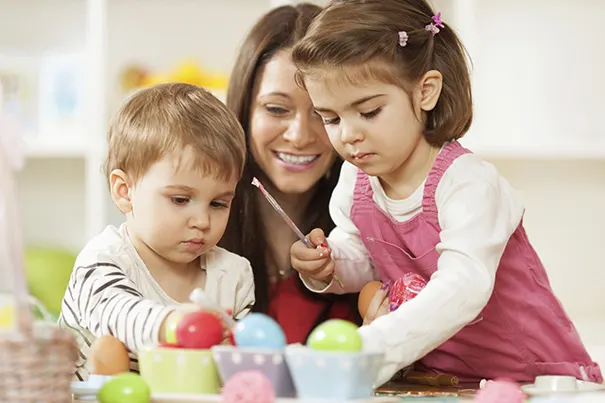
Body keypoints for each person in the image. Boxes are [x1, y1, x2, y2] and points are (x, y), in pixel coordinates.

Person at [289, 0, 602, 386]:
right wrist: (330, 264)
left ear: (426, 91)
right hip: (447, 380)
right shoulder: (355, 179)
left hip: (535, 380)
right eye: (331, 118)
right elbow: (365, 259)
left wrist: (368, 350)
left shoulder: (469, 183)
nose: (348, 134)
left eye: (368, 112)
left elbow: (464, 285)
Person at [58, 83, 255, 380]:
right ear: (125, 191)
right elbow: (117, 316)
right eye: (180, 199)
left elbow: (235, 367)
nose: (202, 220)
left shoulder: (234, 275)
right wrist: (177, 324)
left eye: (218, 203)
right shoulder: (102, 260)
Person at [219, 3, 360, 344]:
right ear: (243, 109)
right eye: (277, 109)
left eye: (321, 113)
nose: (299, 135)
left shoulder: (368, 243)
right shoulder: (195, 236)